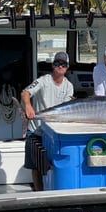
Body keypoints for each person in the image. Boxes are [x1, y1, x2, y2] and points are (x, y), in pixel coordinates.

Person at [21, 51, 74, 191]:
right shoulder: (43, 80)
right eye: (57, 63)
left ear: (67, 67)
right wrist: (28, 106)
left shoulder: (69, 86)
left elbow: (65, 109)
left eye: (63, 64)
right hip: (36, 131)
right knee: (36, 166)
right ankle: (39, 193)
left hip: (53, 134)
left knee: (53, 164)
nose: (60, 66)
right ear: (53, 65)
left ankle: (51, 190)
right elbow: (25, 93)